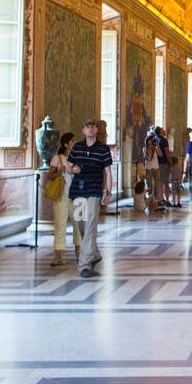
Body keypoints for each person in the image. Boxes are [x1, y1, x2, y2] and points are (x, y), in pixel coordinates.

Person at [67, 118, 114, 277]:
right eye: (87, 127)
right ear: (83, 131)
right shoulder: (77, 147)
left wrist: (108, 192)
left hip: (94, 190)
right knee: (79, 224)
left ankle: (84, 265)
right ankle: (94, 254)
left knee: (90, 226)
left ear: (96, 130)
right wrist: (73, 169)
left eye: (92, 127)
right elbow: (68, 165)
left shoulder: (103, 149)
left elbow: (107, 171)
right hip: (78, 191)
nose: (90, 129)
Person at [44, 131, 76, 267]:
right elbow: (49, 176)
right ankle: (58, 256)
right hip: (62, 195)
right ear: (65, 144)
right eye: (72, 141)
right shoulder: (57, 159)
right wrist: (60, 171)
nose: (75, 143)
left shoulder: (77, 158)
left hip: (76, 195)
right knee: (60, 225)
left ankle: (80, 252)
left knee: (78, 225)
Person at [156, 125, 182, 209]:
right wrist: (170, 161)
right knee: (166, 182)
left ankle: (159, 199)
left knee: (159, 182)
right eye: (162, 129)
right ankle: (167, 199)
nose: (164, 130)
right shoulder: (164, 140)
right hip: (163, 163)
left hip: (156, 164)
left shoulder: (155, 139)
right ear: (160, 132)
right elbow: (167, 152)